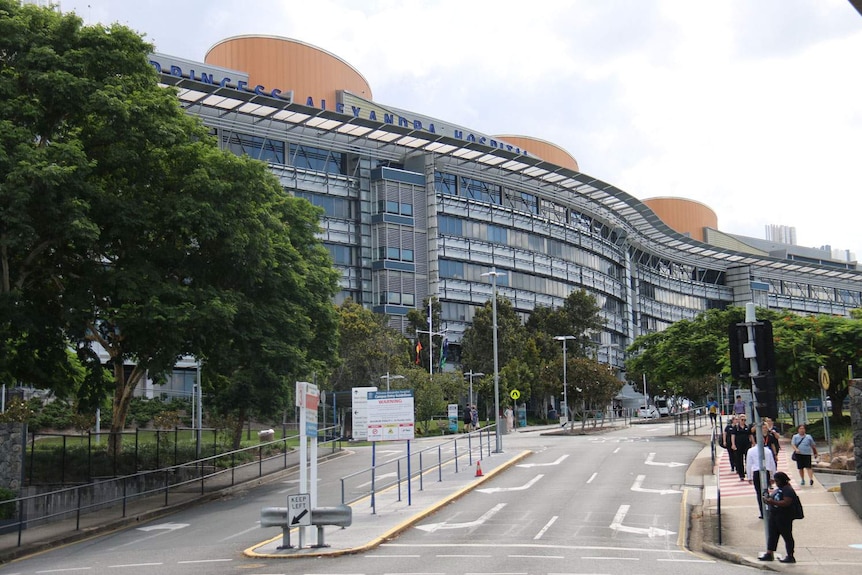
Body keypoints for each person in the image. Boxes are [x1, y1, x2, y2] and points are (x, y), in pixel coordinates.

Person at [758, 471, 798, 563]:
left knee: (787, 536)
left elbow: (786, 502)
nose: (776, 482)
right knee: (772, 535)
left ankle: (790, 555)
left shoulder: (788, 490)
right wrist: (767, 499)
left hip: (784, 517)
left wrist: (773, 502)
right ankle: (769, 553)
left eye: (777, 481)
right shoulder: (779, 489)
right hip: (774, 515)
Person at [747, 424, 777, 518]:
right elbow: (772, 464)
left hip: (756, 472)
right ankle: (768, 510)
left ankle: (762, 512)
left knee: (759, 493)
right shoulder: (767, 451)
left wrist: (749, 476)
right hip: (766, 471)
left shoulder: (751, 451)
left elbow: (748, 464)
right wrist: (773, 476)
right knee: (766, 492)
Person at [731, 414, 752, 480]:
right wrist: (733, 444)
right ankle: (741, 475)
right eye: (742, 420)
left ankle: (748, 473)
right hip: (738, 445)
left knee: (748, 459)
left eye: (744, 420)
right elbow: (733, 436)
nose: (743, 421)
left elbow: (750, 435)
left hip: (746, 444)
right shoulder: (736, 427)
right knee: (739, 460)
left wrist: (753, 443)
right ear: (739, 420)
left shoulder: (747, 427)